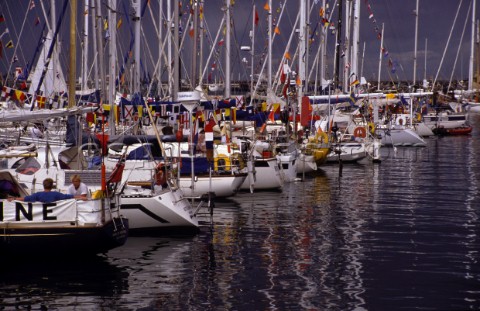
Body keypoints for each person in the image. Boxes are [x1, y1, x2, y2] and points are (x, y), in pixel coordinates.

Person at [7, 178, 86, 203]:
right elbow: (69, 197)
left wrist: (14, 198)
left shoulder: (37, 195)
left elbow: (25, 199)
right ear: (52, 186)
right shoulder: (56, 194)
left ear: (43, 185)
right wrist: (81, 197)